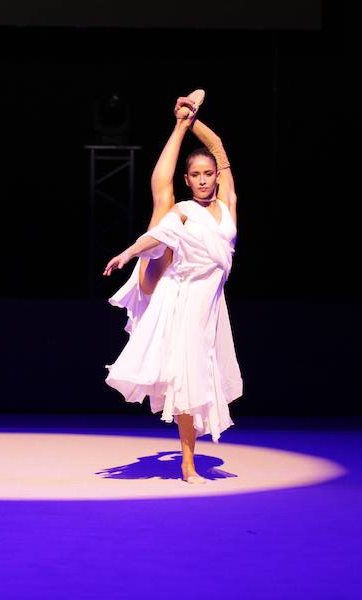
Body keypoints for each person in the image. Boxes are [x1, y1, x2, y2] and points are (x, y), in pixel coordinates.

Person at [103, 90, 243, 484]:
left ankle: (179, 122)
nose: (202, 180)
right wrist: (129, 252)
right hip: (169, 287)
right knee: (161, 201)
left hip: (209, 304)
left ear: (217, 175)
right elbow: (157, 235)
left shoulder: (228, 202)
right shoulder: (184, 211)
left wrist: (191, 116)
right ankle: (186, 464)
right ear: (189, 179)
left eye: (208, 173)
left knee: (198, 377)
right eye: (195, 175)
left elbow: (217, 146)